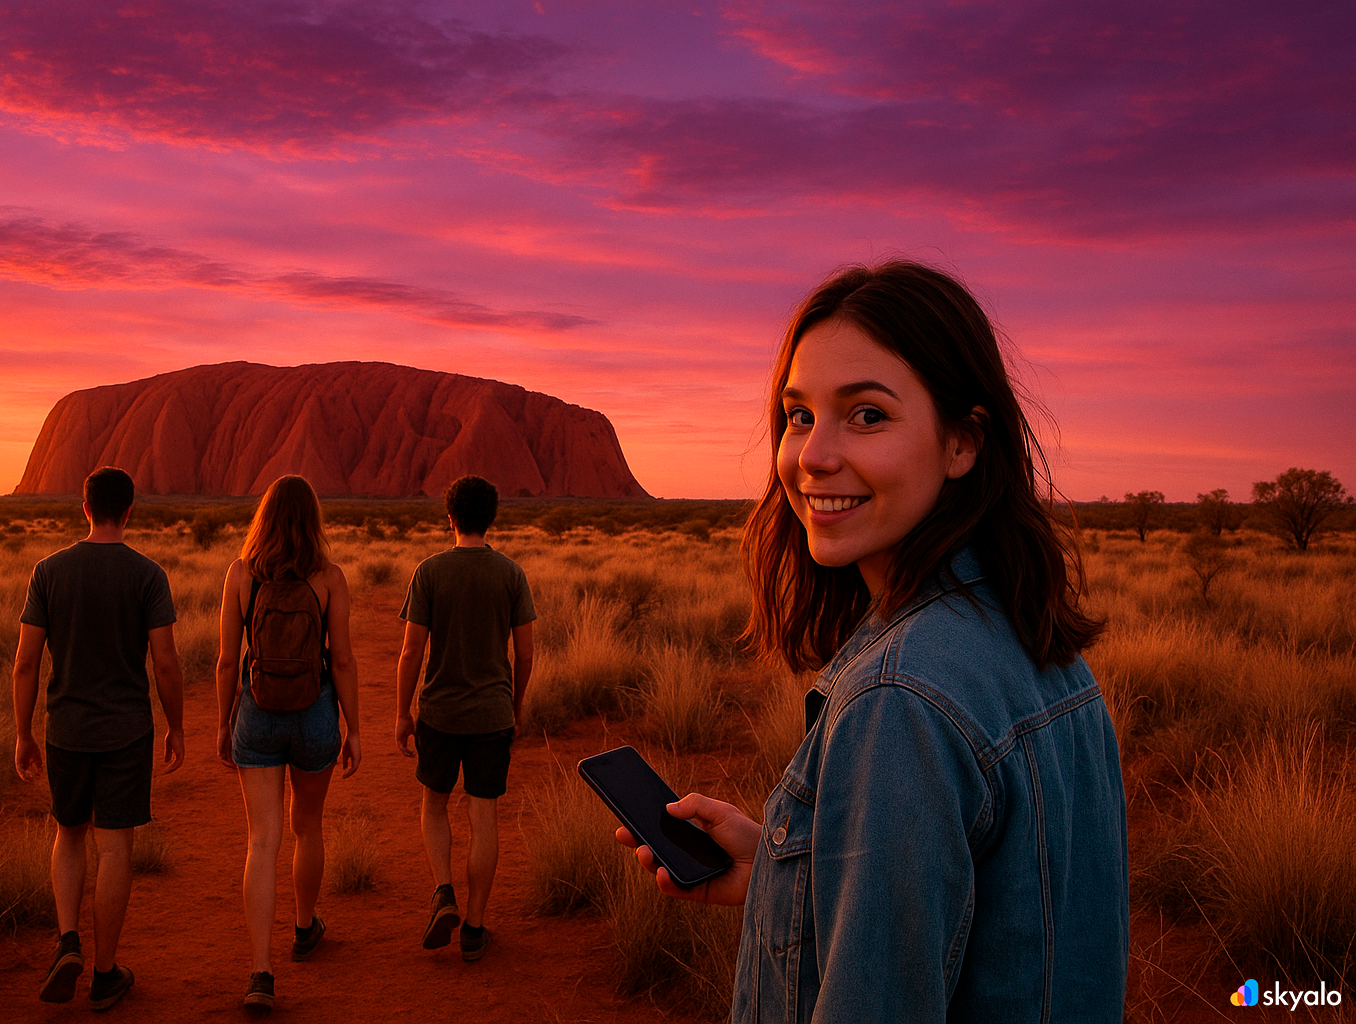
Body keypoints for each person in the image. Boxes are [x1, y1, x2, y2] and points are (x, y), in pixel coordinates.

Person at [616, 262, 1128, 1022]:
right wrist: (782, 867)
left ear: (962, 442)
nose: (813, 456)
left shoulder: (901, 698)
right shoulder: (1036, 648)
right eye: (799, 416)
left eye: (867, 416)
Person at [13, 465, 185, 1012]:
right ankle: (105, 972)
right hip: (126, 731)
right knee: (114, 847)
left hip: (65, 729)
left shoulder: (48, 571)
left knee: (68, 834)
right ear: (129, 510)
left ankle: (67, 942)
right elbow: (166, 659)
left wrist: (22, 732)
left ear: (84, 508)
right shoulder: (147, 574)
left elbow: (24, 664)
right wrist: (177, 725)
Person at [216, 474, 361, 1015]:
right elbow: (342, 659)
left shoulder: (240, 576)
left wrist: (221, 721)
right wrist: (354, 727)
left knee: (262, 842)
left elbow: (228, 660)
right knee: (308, 827)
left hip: (255, 714)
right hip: (315, 712)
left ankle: (260, 970)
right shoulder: (329, 578)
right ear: (313, 519)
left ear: (264, 517)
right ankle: (304, 928)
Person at [394, 475, 535, 962]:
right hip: (492, 716)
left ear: (449, 517)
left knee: (434, 804)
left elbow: (412, 649)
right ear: (491, 517)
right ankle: (474, 927)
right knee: (483, 814)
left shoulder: (429, 572)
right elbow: (526, 652)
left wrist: (401, 712)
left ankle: (443, 892)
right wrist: (515, 708)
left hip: (439, 712)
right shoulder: (511, 574)